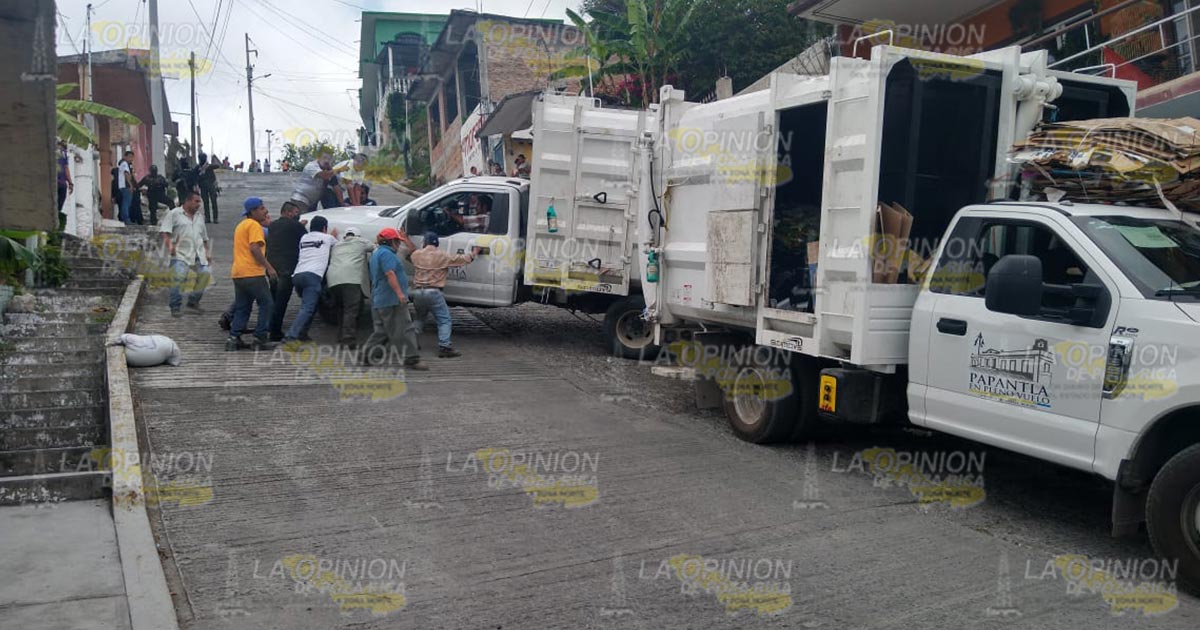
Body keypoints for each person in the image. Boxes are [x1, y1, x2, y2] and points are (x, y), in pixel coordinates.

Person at [363, 228, 427, 370]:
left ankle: (368, 354)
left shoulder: (377, 253)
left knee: (382, 330)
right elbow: (390, 273)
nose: (399, 244)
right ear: (391, 241)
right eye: (397, 241)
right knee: (404, 328)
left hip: (380, 298)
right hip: (391, 299)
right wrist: (400, 294)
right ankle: (411, 358)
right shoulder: (387, 254)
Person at [408, 232, 479, 358]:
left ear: (424, 242)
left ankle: (412, 344)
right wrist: (474, 253)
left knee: (419, 318)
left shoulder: (416, 255)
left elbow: (410, 253)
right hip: (434, 292)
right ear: (437, 243)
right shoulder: (443, 256)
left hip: (418, 292)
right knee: (444, 320)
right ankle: (445, 347)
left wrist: (405, 239)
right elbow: (463, 260)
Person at [227, 197, 277, 351]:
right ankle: (260, 338)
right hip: (253, 272)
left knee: (243, 306)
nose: (265, 211)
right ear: (253, 211)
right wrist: (269, 267)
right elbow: (254, 248)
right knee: (267, 303)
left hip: (238, 273)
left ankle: (233, 338)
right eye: (262, 208)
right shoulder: (255, 226)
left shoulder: (241, 225)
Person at [284, 216, 339, 343]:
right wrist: (333, 236)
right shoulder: (328, 238)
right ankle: (291, 337)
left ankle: (303, 333)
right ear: (324, 228)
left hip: (297, 276)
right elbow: (338, 246)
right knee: (307, 308)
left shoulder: (304, 237)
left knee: (312, 305)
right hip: (312, 277)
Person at [159, 191, 211, 317]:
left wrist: (207, 253)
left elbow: (204, 237)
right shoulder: (174, 214)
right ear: (187, 201)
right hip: (180, 254)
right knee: (177, 280)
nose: (199, 204)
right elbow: (165, 232)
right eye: (196, 201)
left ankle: (193, 302)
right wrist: (170, 246)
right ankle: (175, 306)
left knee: (205, 275)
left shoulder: (199, 217)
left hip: (198, 253)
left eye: (200, 202)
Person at [264, 201, 308, 341]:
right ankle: (275, 332)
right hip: (287, 269)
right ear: (288, 212)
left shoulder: (272, 226)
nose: (297, 215)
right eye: (295, 213)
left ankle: (268, 326)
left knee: (273, 298)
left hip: (272, 267)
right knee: (281, 302)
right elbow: (306, 239)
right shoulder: (295, 225)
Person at [325, 227, 375, 347]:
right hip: (351, 278)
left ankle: (340, 336)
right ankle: (348, 339)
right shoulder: (361, 242)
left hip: (333, 279)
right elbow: (374, 247)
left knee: (340, 308)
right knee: (351, 309)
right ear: (358, 236)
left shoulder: (337, 245)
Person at [198, 152, 220, 224]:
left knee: (213, 201)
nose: (201, 160)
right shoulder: (198, 167)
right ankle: (207, 218)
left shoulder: (209, 166)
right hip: (203, 186)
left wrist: (213, 160)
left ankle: (215, 218)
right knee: (205, 202)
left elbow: (217, 165)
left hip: (211, 185)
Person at [56, 141, 74, 220]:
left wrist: (70, 183)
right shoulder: (62, 153)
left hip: (59, 183)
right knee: (57, 208)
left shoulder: (63, 153)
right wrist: (70, 183)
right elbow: (66, 168)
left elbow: (66, 168)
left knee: (56, 208)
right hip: (58, 184)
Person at [117, 150, 135, 224]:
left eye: (132, 157)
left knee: (127, 202)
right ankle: (126, 219)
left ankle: (124, 218)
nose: (131, 159)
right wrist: (130, 185)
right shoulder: (124, 164)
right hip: (126, 185)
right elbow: (126, 174)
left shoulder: (127, 164)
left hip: (124, 186)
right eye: (129, 157)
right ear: (125, 157)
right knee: (126, 203)